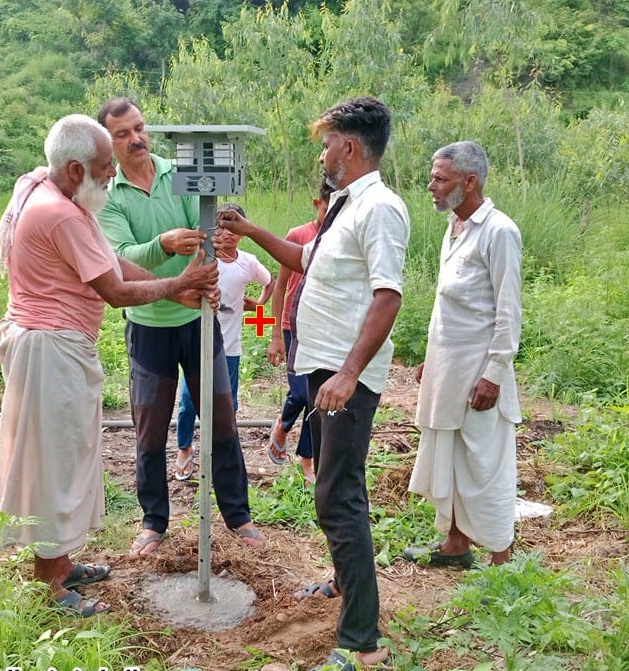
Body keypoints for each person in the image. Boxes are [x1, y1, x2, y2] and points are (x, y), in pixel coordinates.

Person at [217, 96, 409, 670]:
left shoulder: (380, 208)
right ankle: (345, 586)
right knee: (333, 488)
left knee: (337, 494)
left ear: (349, 147)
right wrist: (251, 231)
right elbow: (305, 258)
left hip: (344, 377)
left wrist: (349, 374)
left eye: (327, 143)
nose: (323, 153)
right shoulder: (344, 206)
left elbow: (388, 294)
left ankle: (362, 642)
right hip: (322, 368)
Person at [0, 114, 218, 617]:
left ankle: (60, 563)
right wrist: (177, 285)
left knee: (68, 457)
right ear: (75, 169)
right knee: (53, 465)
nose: (109, 176)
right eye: (102, 167)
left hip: (51, 345)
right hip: (49, 348)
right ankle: (50, 588)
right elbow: (117, 290)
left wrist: (181, 290)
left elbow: (113, 264)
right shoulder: (60, 214)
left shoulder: (43, 186)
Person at [96, 98, 264, 556]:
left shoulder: (179, 173)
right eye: (123, 134)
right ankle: (154, 522)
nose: (136, 139)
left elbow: (204, 230)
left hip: (197, 320)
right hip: (149, 325)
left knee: (221, 416)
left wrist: (207, 266)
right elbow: (122, 258)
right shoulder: (108, 196)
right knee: (150, 426)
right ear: (107, 144)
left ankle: (238, 514)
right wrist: (164, 247)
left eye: (140, 128)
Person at [404, 141, 522, 568]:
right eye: (433, 177)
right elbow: (455, 307)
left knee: (484, 465)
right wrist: (431, 359)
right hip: (449, 370)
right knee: (453, 458)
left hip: (479, 375)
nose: (431, 186)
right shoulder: (455, 226)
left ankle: (501, 562)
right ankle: (456, 545)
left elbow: (508, 311)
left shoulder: (499, 231)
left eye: (440, 178)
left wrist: (493, 373)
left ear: (469, 182)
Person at [175, 203, 275, 479]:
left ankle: (222, 450)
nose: (227, 233)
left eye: (234, 227)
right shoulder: (203, 259)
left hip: (229, 348)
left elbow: (270, 281)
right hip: (196, 343)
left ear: (241, 231)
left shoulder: (248, 262)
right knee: (187, 403)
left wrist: (258, 304)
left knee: (228, 404)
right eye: (222, 226)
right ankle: (184, 448)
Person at [266, 179, 332, 484]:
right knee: (299, 392)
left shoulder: (340, 235)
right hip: (294, 325)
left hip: (323, 328)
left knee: (316, 398)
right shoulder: (298, 235)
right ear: (316, 204)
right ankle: (282, 424)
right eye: (326, 206)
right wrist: (276, 333)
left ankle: (307, 458)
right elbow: (279, 287)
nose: (331, 211)